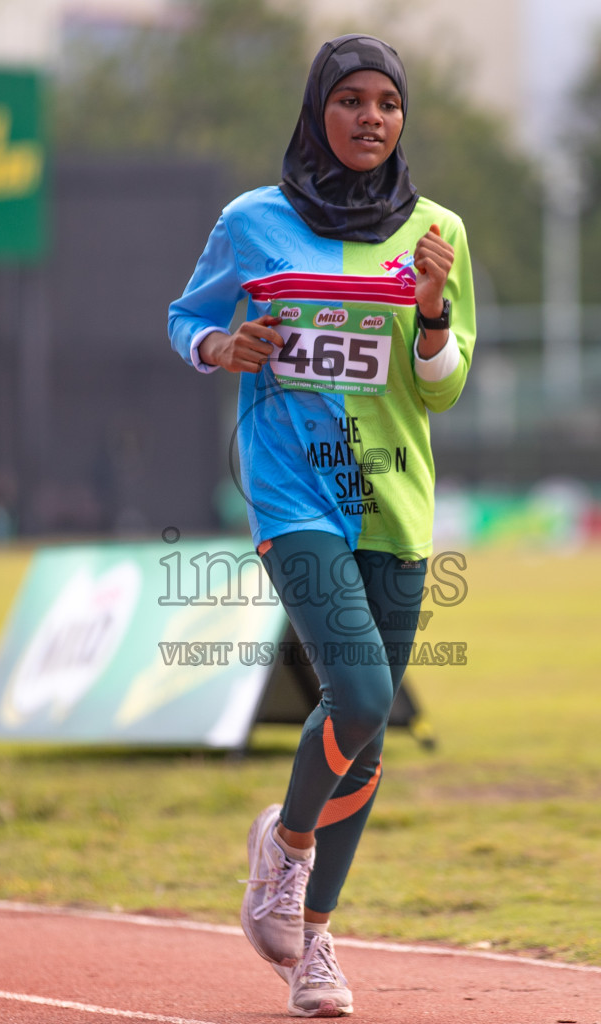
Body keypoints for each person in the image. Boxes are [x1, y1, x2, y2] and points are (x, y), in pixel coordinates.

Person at [167, 34, 473, 1019]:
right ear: (317, 111)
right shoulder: (252, 223)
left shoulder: (438, 233)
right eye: (352, 100)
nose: (372, 118)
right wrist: (226, 344)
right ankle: (288, 849)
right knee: (361, 688)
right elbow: (185, 317)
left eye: (388, 102)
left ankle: (316, 942)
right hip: (294, 491)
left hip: (397, 497)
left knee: (368, 732)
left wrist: (430, 313)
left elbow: (446, 385)